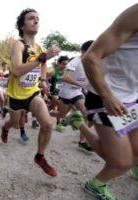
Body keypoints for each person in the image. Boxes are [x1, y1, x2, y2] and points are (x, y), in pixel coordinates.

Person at [74, 4, 138, 199]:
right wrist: (107, 96)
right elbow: (90, 57)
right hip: (106, 96)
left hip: (132, 98)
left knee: (134, 155)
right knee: (121, 162)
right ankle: (79, 123)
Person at [0, 8, 59, 177]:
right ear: (22, 25)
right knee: (14, 122)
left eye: (37, 19)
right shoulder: (18, 45)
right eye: (31, 18)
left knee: (47, 124)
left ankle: (40, 156)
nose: (36, 21)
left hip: (32, 93)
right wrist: (42, 57)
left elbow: (44, 65)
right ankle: (5, 128)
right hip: (16, 95)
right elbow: (17, 70)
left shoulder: (40, 48)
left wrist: (42, 80)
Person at [55, 41, 94, 152]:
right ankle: (42, 114)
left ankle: (82, 142)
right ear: (83, 51)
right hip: (66, 93)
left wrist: (85, 89)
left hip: (77, 93)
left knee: (86, 113)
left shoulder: (90, 62)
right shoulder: (75, 62)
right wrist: (81, 85)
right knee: (60, 114)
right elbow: (65, 77)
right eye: (91, 50)